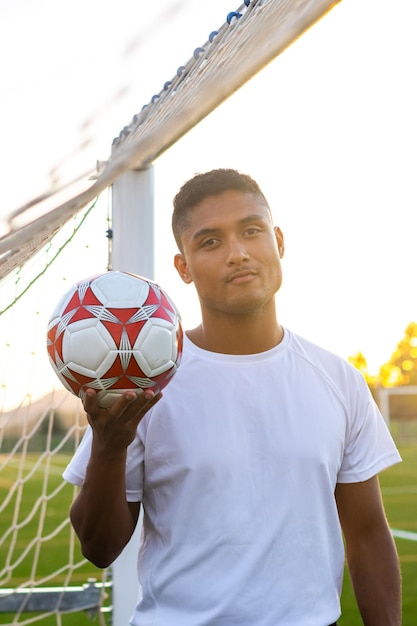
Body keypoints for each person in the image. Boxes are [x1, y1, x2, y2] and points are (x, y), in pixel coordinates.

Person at [63, 168, 402, 626]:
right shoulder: (145, 382)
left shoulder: (337, 378)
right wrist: (108, 445)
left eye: (251, 231)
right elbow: (99, 549)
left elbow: (366, 535)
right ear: (182, 267)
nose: (238, 253)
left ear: (278, 241)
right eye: (210, 242)